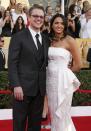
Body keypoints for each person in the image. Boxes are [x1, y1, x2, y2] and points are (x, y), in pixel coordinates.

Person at [8, 4, 49, 131]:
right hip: (22, 90)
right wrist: (16, 85)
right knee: (19, 124)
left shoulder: (46, 39)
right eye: (35, 16)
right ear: (29, 18)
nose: (39, 19)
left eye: (41, 16)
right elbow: (12, 63)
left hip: (39, 90)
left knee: (35, 125)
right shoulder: (18, 37)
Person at [46, 13, 81, 131]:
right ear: (51, 25)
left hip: (63, 83)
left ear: (65, 25)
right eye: (56, 23)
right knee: (53, 113)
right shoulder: (49, 40)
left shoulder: (70, 40)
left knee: (62, 113)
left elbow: (78, 65)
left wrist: (64, 74)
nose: (59, 25)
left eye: (62, 23)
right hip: (50, 82)